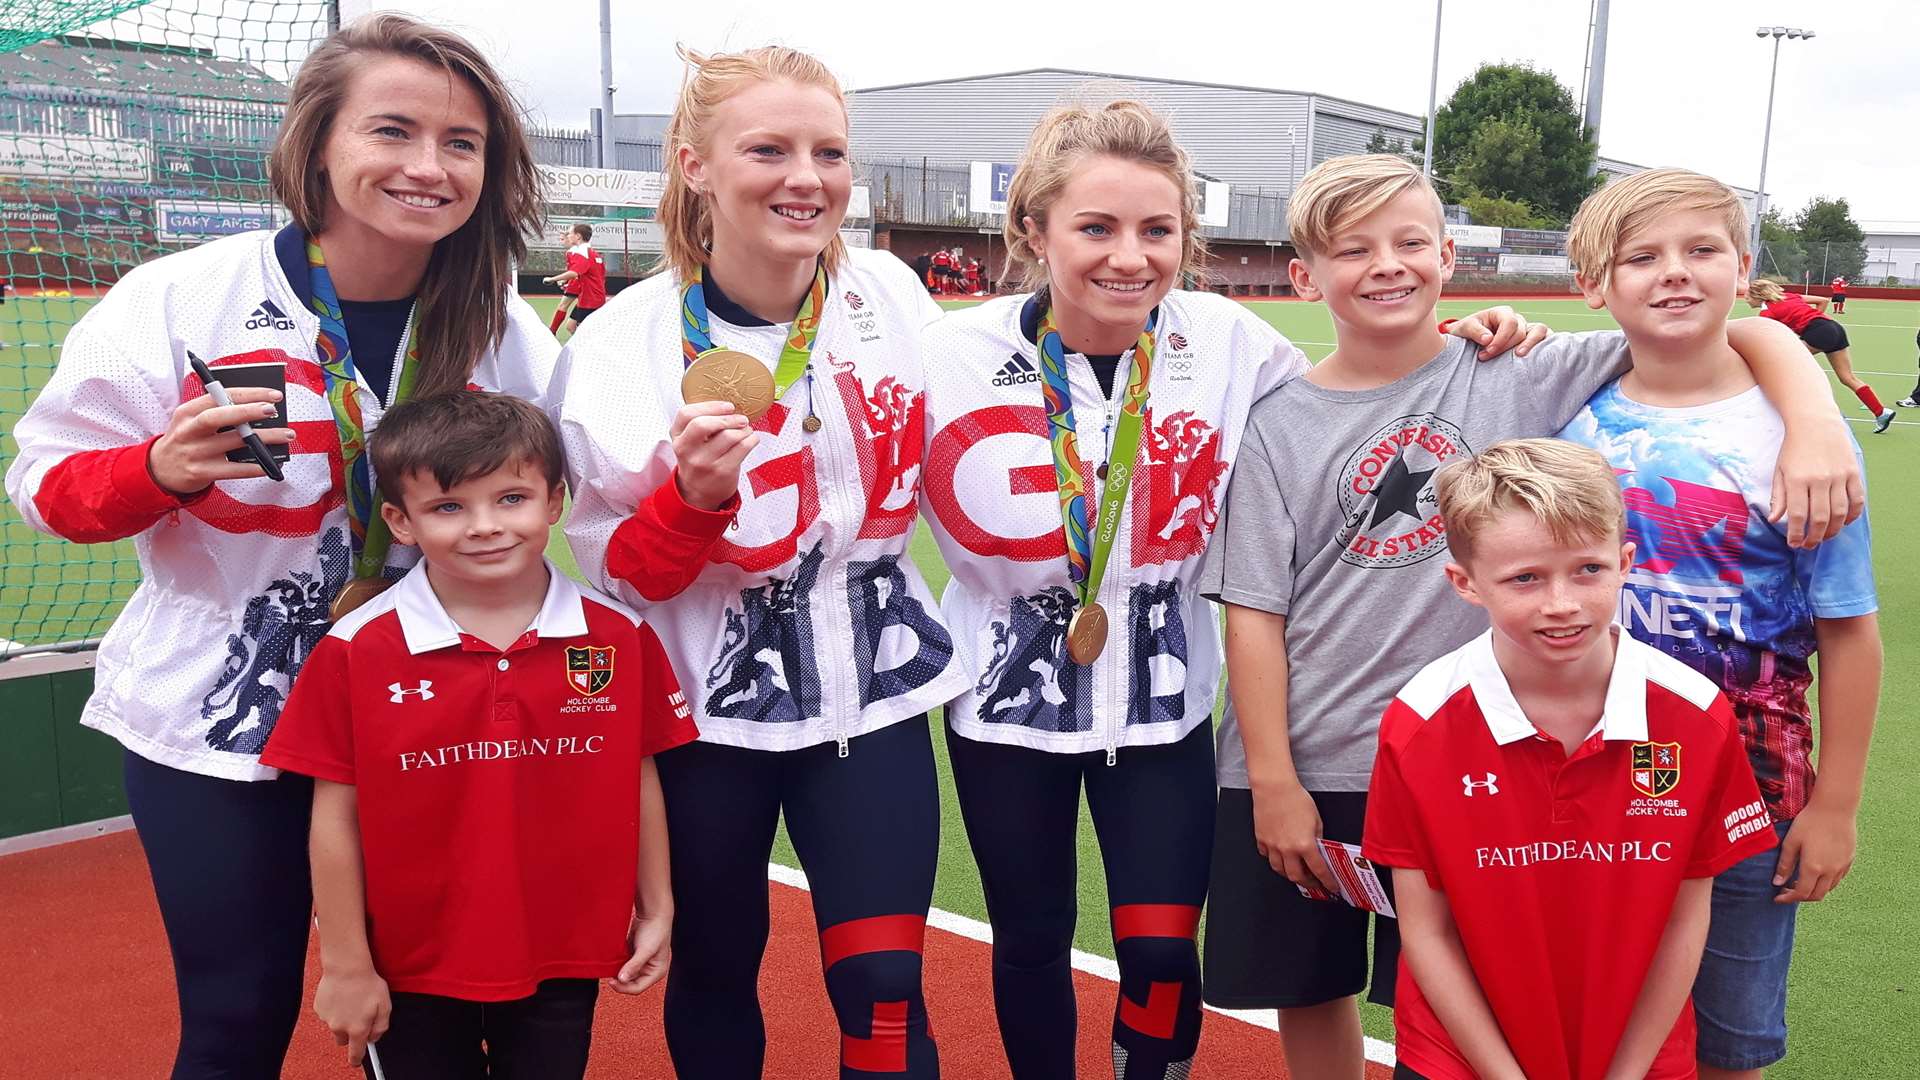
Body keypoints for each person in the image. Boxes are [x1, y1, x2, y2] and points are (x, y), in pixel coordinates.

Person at [1198, 153, 1860, 1080]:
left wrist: (1815, 415)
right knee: (1309, 988)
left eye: (1409, 242)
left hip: (1468, 759)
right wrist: (1272, 779)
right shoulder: (1279, 423)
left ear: (1449, 255)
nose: (1387, 265)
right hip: (1311, 755)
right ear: (1306, 277)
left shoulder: (1516, 369)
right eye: (1355, 249)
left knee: (1463, 995)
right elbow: (1255, 616)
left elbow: (1727, 325)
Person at [919, 107, 1542, 1080]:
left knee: (1164, 955)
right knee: (1032, 939)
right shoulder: (944, 358)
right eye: (1096, 228)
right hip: (1005, 717)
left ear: (1185, 240)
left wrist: (1450, 338)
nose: (1131, 257)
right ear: (1033, 231)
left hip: (1167, 710)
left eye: (1157, 231)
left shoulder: (1230, 343)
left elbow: (1357, 396)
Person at [4, 15, 555, 1078]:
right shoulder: (179, 297)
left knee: (427, 1021)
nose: (427, 167)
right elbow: (43, 487)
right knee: (236, 1018)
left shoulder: (504, 331)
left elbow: (538, 525)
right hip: (220, 713)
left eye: (462, 143)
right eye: (392, 131)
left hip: (423, 709)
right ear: (317, 143)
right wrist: (153, 472)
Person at [548, 45, 963, 1080]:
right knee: (717, 972)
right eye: (768, 149)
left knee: (885, 991)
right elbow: (626, 578)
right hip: (702, 717)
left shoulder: (893, 298)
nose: (807, 177)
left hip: (871, 703)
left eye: (829, 152)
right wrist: (691, 503)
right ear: (695, 165)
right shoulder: (619, 347)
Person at [260, 391, 693, 1077]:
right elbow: (333, 815)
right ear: (401, 522)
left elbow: (635, 775)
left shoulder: (618, 637)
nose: (485, 527)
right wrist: (346, 964)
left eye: (511, 499)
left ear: (556, 501)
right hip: (411, 964)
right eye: (449, 507)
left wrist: (657, 904)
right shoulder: (356, 649)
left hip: (562, 950)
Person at [1558, 169, 1882, 1080]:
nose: (1674, 274)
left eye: (1702, 251)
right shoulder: (1567, 418)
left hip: (1752, 779)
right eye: (1642, 257)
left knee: (1731, 1037)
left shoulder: (1801, 440)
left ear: (1742, 267)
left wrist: (1838, 805)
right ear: (1596, 285)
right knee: (1593, 1014)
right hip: (1591, 770)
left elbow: (1849, 628)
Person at [1365, 437, 1779, 1080]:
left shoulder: (1694, 714)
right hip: (1461, 1060)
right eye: (1525, 577)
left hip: (1636, 1059)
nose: (1562, 603)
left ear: (1624, 562)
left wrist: (1628, 1072)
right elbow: (1426, 933)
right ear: (1465, 583)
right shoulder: (1420, 722)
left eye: (1587, 569)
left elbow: (1685, 918)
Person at [1745, 278, 1894, 432]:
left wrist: (1810, 329)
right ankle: (1881, 412)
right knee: (1848, 378)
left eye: (1748, 296)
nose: (1746, 299)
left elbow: (1770, 336)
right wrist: (1814, 324)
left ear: (1758, 295)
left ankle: (1803, 414)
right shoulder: (1791, 296)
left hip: (1818, 332)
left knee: (1785, 368)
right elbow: (1822, 301)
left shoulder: (1766, 313)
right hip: (1834, 327)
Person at [545, 222, 608, 339]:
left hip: (591, 301)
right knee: (571, 326)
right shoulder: (594, 254)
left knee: (587, 335)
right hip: (590, 298)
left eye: (570, 233)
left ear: (578, 236)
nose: (568, 236)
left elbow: (574, 272)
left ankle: (553, 333)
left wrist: (553, 279)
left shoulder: (582, 253)